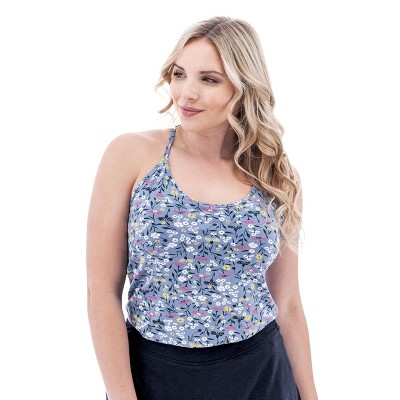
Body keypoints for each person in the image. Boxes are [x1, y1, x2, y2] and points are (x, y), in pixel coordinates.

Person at [86, 16, 318, 400]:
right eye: (179, 74)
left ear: (243, 88)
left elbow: (288, 303)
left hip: (260, 376)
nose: (186, 93)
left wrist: (310, 395)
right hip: (155, 375)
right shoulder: (130, 155)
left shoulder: (274, 174)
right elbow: (102, 292)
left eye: (209, 79)